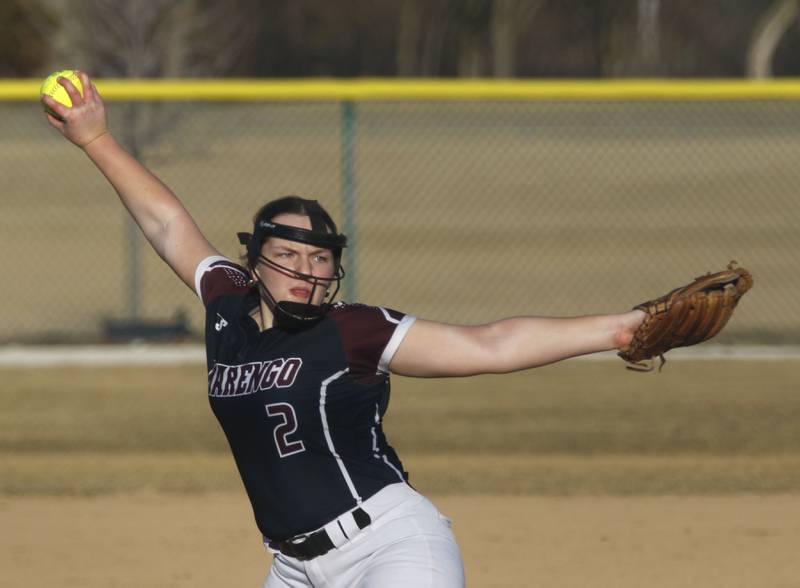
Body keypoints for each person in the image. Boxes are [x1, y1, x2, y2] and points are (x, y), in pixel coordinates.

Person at [43, 71, 646, 588]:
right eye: (287, 254)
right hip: (293, 569)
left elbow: (489, 344)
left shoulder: (353, 329)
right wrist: (95, 138)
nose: (306, 271)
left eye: (320, 258)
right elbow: (166, 223)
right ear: (254, 259)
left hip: (391, 547)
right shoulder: (227, 303)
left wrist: (622, 331)